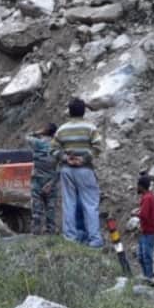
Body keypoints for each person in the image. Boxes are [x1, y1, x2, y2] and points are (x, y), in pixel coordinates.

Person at [51, 98, 104, 247]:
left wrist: (65, 158)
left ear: (69, 111)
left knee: (69, 203)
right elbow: (98, 147)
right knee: (90, 203)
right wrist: (84, 159)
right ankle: (94, 239)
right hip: (84, 170)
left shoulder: (62, 130)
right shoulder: (90, 128)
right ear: (84, 111)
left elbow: (53, 149)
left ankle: (70, 237)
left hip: (67, 170)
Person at [27, 123, 59, 234]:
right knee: (51, 211)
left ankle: (36, 233)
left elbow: (27, 136)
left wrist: (38, 132)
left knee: (36, 211)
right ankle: (51, 234)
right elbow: (60, 166)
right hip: (51, 183)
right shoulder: (57, 147)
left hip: (37, 182)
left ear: (44, 131)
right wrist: (52, 183)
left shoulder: (37, 143)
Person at [136, 175, 154, 281]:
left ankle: (148, 277)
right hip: (148, 231)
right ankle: (147, 276)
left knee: (145, 256)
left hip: (147, 231)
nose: (137, 188)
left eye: (138, 185)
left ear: (141, 186)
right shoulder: (151, 196)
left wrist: (135, 214)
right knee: (142, 256)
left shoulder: (147, 198)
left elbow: (144, 215)